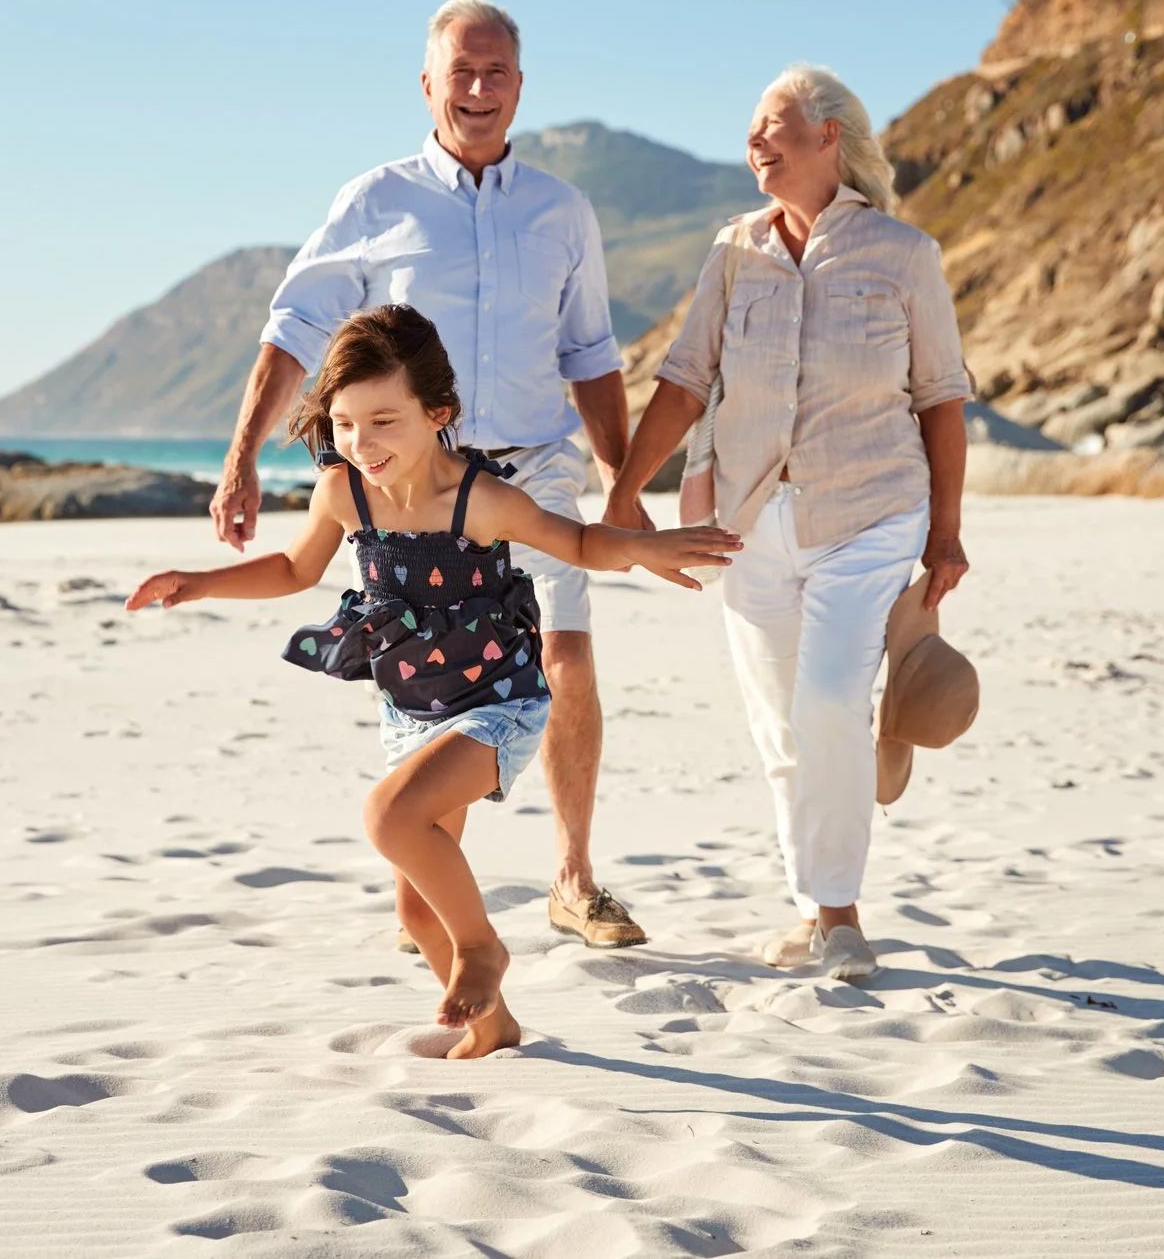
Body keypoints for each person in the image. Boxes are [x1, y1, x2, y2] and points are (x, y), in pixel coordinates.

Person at [132, 307, 739, 1057]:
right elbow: (294, 570)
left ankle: (484, 953)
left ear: (437, 413)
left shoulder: (478, 498)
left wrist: (644, 548)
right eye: (346, 423)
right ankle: (496, 1026)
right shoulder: (343, 492)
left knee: (389, 816)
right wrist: (196, 582)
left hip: (498, 705)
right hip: (411, 710)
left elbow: (577, 540)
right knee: (420, 915)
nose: (362, 443)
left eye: (384, 420)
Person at [209, 0, 654, 948]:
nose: (480, 89)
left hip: (529, 469)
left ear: (521, 85)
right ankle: (431, 863)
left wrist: (622, 482)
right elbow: (292, 327)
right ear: (428, 83)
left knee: (566, 650)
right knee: (429, 672)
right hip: (416, 484)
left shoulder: (561, 210)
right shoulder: (375, 200)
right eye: (462, 72)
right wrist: (240, 455)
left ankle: (573, 877)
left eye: (497, 72)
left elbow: (590, 355)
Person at [602, 64, 971, 983]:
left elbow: (941, 400)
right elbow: (684, 380)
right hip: (749, 517)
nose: (755, 143)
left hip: (871, 511)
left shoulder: (903, 255)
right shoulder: (734, 251)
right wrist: (624, 493)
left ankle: (841, 919)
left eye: (773, 126)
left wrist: (947, 531)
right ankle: (811, 907)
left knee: (826, 703)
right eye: (751, 129)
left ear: (827, 138)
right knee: (779, 727)